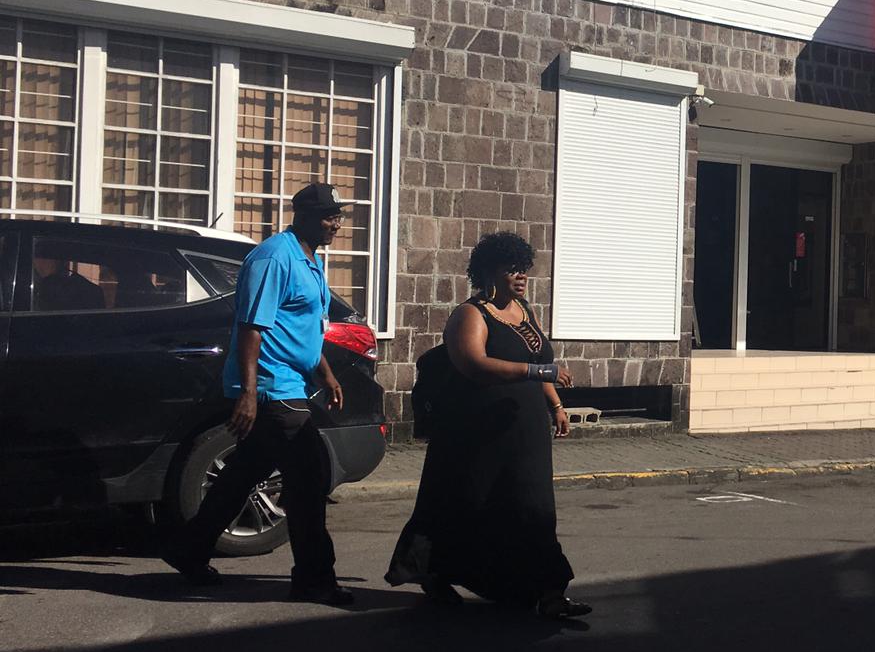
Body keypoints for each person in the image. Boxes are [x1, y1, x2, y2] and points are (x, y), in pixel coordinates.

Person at [162, 183, 354, 605]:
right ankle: (314, 579)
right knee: (309, 480)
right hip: (272, 386)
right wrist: (249, 393)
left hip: (292, 381)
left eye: (338, 215)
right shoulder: (273, 257)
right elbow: (253, 327)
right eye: (329, 216)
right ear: (303, 215)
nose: (336, 224)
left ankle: (189, 549)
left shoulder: (309, 260)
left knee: (245, 472)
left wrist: (326, 374)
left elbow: (303, 330)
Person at [386, 232, 590, 618]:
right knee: (469, 503)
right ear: (489, 272)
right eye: (512, 269)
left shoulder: (524, 310)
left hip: (526, 431)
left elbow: (540, 361)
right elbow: (473, 364)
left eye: (524, 268)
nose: (521, 276)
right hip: (479, 432)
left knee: (535, 508)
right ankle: (436, 573)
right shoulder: (470, 314)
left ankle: (550, 592)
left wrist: (556, 405)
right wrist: (536, 372)